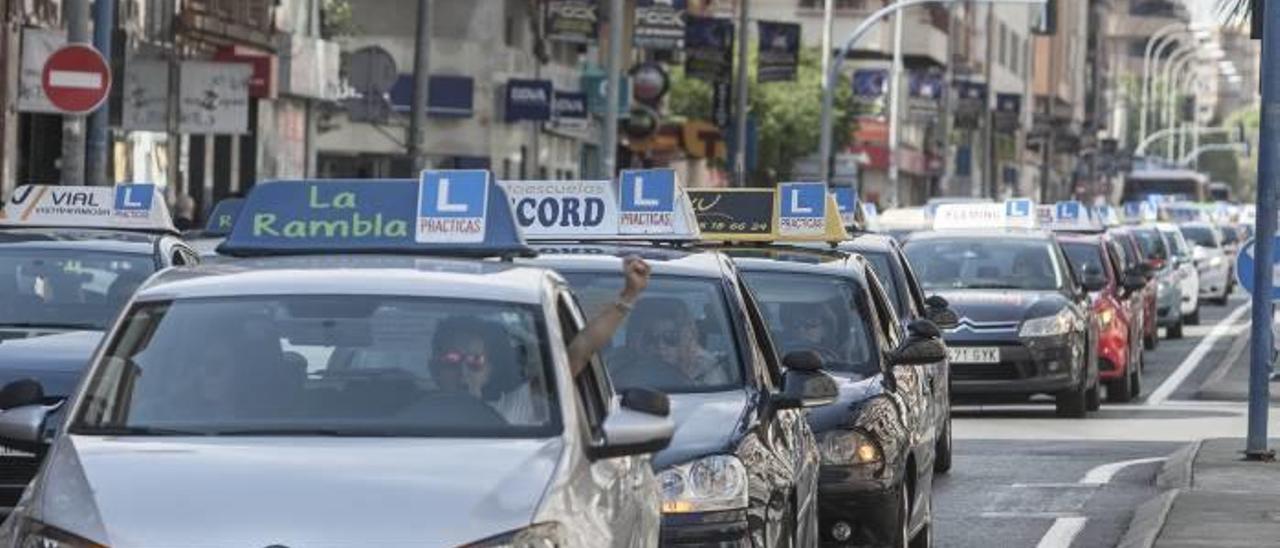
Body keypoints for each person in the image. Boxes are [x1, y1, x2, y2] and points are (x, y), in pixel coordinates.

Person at [426, 256, 652, 423]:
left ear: (491, 369)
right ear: (434, 367)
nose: (463, 371)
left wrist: (628, 297)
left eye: (475, 361)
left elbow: (579, 353)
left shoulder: (516, 408)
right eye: (452, 359)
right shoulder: (406, 417)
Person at [610, 296, 726, 390]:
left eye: (670, 337)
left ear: (685, 338)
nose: (661, 345)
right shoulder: (620, 362)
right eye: (652, 338)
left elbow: (717, 405)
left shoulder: (705, 368)